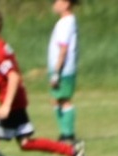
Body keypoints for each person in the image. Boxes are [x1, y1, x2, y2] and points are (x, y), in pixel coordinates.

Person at [0, 8, 87, 156]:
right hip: (16, 100)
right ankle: (71, 151)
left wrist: (6, 105)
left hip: (12, 102)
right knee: (26, 143)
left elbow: (13, 77)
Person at [48, 0, 80, 144]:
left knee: (64, 100)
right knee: (56, 99)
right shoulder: (66, 21)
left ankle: (68, 134)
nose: (53, 4)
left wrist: (56, 71)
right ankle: (63, 132)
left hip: (63, 69)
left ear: (66, 3)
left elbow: (63, 48)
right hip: (60, 68)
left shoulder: (66, 22)